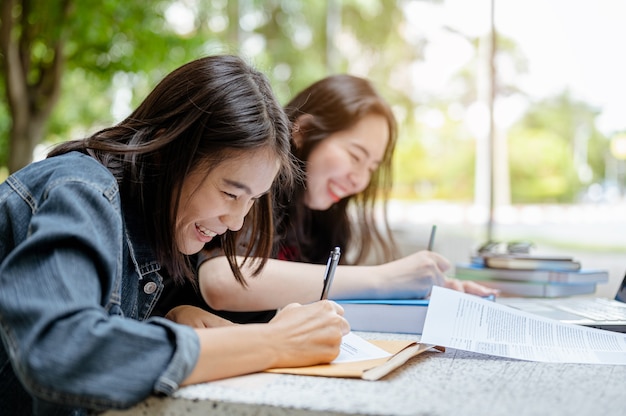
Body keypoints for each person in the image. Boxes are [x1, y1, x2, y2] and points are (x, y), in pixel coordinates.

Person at [0, 55, 349, 415]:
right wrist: (275, 342)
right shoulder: (80, 190)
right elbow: (61, 353)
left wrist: (169, 318)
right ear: (168, 150)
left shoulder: (162, 232)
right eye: (230, 194)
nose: (235, 222)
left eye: (252, 200)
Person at [157, 74, 497, 327]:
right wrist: (384, 278)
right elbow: (220, 279)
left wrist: (421, 292)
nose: (360, 179)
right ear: (303, 132)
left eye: (371, 167)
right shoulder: (253, 188)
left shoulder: (326, 220)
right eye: (354, 155)